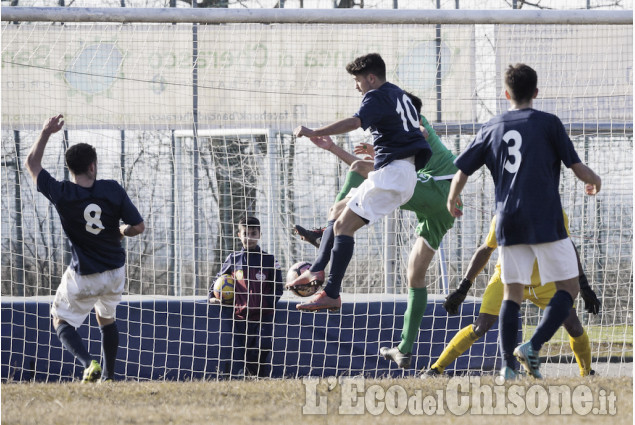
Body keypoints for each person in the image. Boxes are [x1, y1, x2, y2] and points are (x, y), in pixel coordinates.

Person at [447, 64, 602, 379]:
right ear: (535, 92)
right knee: (569, 289)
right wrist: (594, 179)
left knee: (511, 294)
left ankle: (507, 367)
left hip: (508, 220)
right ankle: (533, 345)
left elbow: (462, 170)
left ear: (506, 94)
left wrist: (452, 198)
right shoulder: (548, 123)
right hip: (545, 217)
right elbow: (576, 166)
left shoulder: (491, 127)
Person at [293, 94, 458, 368]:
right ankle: (404, 349)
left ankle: (328, 233)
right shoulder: (402, 136)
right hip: (439, 203)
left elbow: (419, 138)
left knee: (342, 211)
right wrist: (333, 147)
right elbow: (372, 173)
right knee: (415, 277)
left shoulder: (414, 123)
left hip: (436, 188)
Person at [287, 53, 432, 312]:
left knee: (343, 227)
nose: (357, 86)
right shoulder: (399, 95)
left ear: (371, 78)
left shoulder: (375, 95)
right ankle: (318, 269)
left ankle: (331, 292)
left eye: (357, 80)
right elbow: (408, 137)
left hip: (395, 174)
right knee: (337, 211)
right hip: (397, 172)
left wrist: (314, 131)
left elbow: (355, 122)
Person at [24, 114, 145, 383]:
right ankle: (110, 376)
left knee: (60, 319)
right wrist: (120, 231)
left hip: (84, 275)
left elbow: (32, 163)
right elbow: (138, 227)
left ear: (70, 169)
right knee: (107, 319)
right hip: (115, 272)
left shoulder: (62, 193)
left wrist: (45, 132)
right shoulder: (112, 189)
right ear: (93, 166)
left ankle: (88, 363)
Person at [423, 212, 601, 378]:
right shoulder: (502, 215)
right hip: (508, 278)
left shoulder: (555, 211)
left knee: (574, 326)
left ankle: (586, 373)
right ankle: (436, 369)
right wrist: (463, 288)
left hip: (545, 280)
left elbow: (568, 247)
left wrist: (584, 285)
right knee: (481, 326)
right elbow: (486, 249)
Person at [209, 216, 283, 378]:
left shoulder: (269, 260)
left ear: (259, 235)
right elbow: (218, 280)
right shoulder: (233, 259)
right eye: (245, 233)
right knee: (245, 349)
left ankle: (258, 375)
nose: (249, 237)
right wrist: (211, 296)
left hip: (264, 315)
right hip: (241, 315)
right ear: (239, 235)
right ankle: (249, 376)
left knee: (264, 344)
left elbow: (278, 288)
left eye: (253, 233)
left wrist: (267, 303)